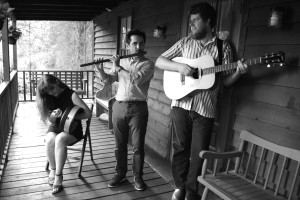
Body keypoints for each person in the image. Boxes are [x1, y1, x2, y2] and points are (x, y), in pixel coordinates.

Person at [155, 2, 248, 200]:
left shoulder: (223, 48)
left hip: (205, 109)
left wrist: (238, 72)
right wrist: (179, 68)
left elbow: (226, 81)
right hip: (180, 104)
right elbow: (159, 61)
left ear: (208, 21)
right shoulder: (184, 43)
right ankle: (180, 187)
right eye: (190, 21)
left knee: (199, 153)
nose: (191, 25)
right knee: (180, 149)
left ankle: (191, 190)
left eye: (195, 21)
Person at [95, 29, 154, 191]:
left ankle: (138, 177)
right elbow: (109, 80)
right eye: (134, 43)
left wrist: (118, 67)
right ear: (128, 45)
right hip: (119, 106)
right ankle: (120, 173)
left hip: (138, 108)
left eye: (141, 43)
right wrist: (101, 70)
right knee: (119, 144)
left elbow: (136, 79)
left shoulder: (148, 64)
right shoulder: (122, 62)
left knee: (137, 146)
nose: (138, 46)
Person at [36, 74, 92, 194]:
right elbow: (50, 121)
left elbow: (88, 113)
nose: (51, 93)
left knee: (60, 139)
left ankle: (58, 176)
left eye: (52, 89)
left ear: (56, 82)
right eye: (48, 92)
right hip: (56, 126)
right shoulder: (48, 97)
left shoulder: (72, 95)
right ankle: (53, 169)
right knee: (50, 138)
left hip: (72, 128)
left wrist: (70, 116)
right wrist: (53, 116)